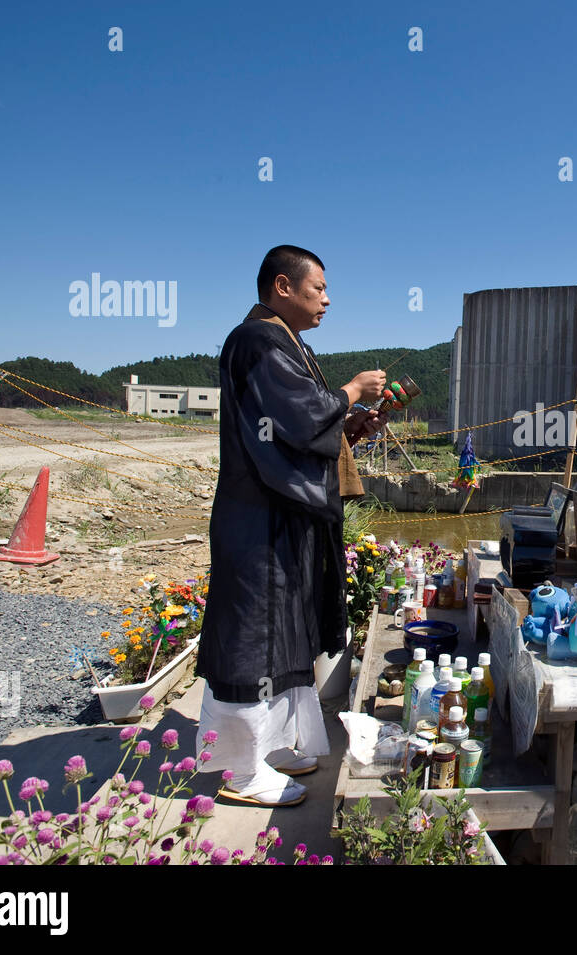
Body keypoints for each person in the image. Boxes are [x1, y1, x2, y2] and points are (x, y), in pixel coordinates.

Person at [195, 245, 388, 806]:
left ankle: (271, 747)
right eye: (318, 288)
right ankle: (239, 770)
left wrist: (349, 427)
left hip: (285, 517)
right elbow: (303, 416)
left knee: (285, 635)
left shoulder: (286, 342)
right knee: (252, 638)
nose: (327, 299)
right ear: (283, 286)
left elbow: (296, 431)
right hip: (259, 519)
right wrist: (350, 391)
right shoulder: (257, 340)